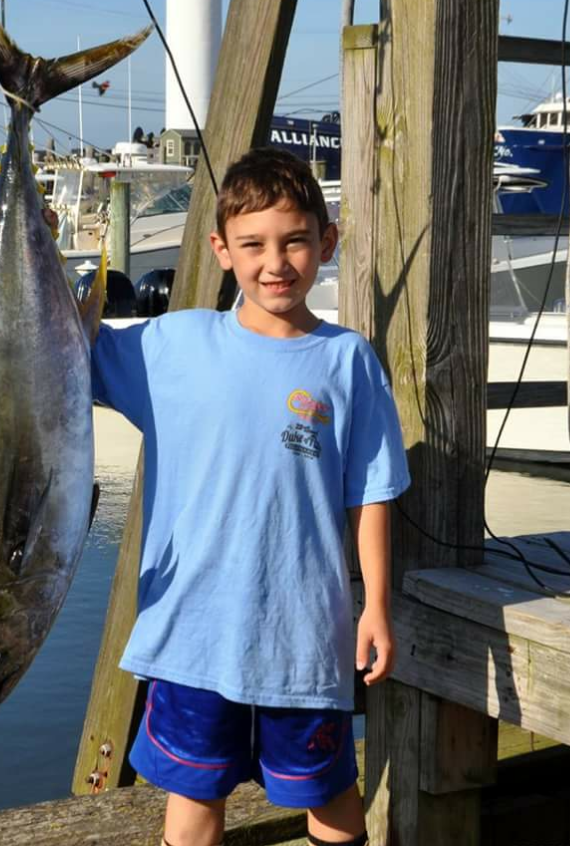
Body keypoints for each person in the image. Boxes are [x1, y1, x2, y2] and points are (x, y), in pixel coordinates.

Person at [91, 147, 410, 846]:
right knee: (194, 794)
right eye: (253, 244)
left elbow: (372, 493)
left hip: (305, 639)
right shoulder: (170, 344)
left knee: (328, 795)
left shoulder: (346, 358)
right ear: (220, 250)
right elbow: (58, 353)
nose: (276, 262)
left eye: (295, 239)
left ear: (326, 242)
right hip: (190, 635)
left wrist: (376, 606)